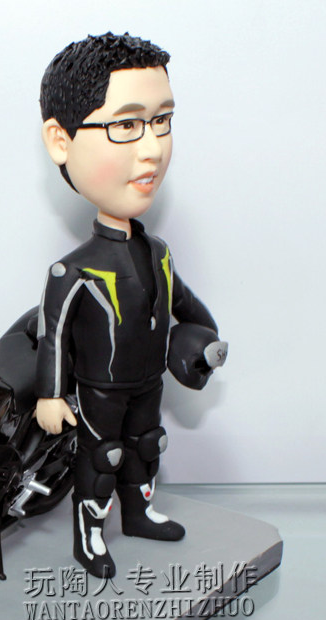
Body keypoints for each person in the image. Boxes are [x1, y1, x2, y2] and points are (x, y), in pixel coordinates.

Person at [35, 33, 227, 579]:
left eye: (162, 121)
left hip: (149, 381)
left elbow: (188, 306)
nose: (153, 148)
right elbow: (54, 336)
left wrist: (206, 343)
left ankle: (139, 514)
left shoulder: (158, 253)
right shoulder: (72, 271)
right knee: (102, 459)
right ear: (61, 140)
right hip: (99, 389)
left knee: (146, 447)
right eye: (126, 125)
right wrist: (51, 394)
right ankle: (90, 537)